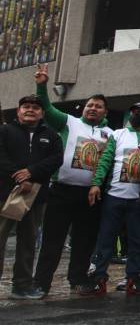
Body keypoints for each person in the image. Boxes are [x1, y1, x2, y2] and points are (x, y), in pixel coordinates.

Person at [32, 64, 113, 295]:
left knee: (84, 241)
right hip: (61, 191)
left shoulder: (110, 134)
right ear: (83, 108)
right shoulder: (69, 122)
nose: (93, 109)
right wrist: (41, 85)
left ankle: (77, 279)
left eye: (98, 107)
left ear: (105, 112)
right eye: (89, 105)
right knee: (52, 241)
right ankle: (41, 283)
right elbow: (46, 108)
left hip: (90, 195)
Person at [80, 102, 140, 296]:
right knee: (105, 239)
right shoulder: (117, 134)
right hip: (113, 196)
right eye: (132, 111)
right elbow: (105, 160)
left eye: (139, 112)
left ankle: (135, 278)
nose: (135, 114)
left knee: (138, 241)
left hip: (139, 200)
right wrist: (96, 183)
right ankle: (98, 278)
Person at [0, 95, 62, 300]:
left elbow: (55, 160)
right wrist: (19, 177)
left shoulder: (51, 135)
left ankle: (22, 286)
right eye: (25, 106)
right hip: (5, 194)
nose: (30, 110)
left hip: (35, 196)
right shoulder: (5, 131)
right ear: (18, 111)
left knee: (28, 242)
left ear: (42, 113)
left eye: (35, 107)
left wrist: (32, 172)